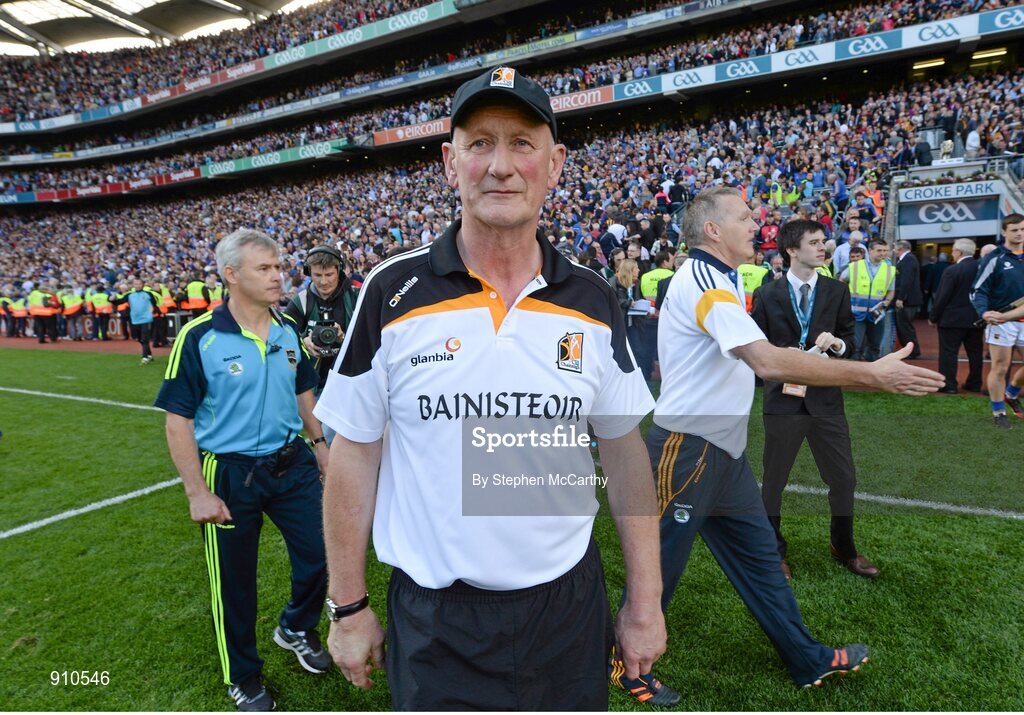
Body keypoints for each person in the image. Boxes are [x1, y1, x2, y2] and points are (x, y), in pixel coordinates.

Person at [314, 66, 666, 710]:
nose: (500, 165)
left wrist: (645, 601)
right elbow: (354, 452)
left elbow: (622, 449)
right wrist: (348, 605)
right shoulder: (392, 293)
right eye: (479, 143)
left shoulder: (593, 299)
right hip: (435, 620)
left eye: (522, 143)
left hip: (567, 607)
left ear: (554, 164)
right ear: (451, 163)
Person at [634, 186, 942, 695]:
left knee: (760, 563)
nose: (758, 225)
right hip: (687, 449)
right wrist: (872, 374)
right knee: (655, 571)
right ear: (713, 230)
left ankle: (807, 659)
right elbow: (767, 361)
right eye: (745, 217)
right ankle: (624, 665)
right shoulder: (706, 281)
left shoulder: (718, 279)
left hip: (721, 452)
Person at [155, 228, 332, 711]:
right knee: (235, 583)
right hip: (230, 475)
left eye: (279, 267)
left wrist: (319, 446)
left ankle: (295, 626)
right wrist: (196, 492)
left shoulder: (287, 330)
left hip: (291, 461)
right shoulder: (200, 337)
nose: (279, 276)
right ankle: (243, 675)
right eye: (265, 268)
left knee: (322, 554)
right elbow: (178, 421)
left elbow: (303, 393)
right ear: (231, 276)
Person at [750, 219, 878, 580]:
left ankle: (844, 547)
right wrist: (782, 354)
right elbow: (754, 346)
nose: (823, 248)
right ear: (792, 250)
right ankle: (774, 551)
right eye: (815, 242)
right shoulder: (768, 294)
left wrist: (837, 345)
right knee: (774, 482)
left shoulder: (836, 290)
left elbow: (850, 340)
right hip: (783, 400)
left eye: (824, 241)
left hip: (825, 401)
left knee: (844, 479)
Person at [284, 244, 357, 443]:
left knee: (331, 436)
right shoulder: (301, 301)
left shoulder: (356, 297)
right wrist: (303, 342)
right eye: (317, 275)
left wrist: (344, 338)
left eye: (329, 274)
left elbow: (373, 337)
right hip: (314, 382)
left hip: (348, 379)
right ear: (308, 273)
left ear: (339, 271)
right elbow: (282, 340)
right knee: (320, 436)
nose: (323, 282)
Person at [971, 214, 1024, 429]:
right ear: (1004, 232)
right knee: (1000, 368)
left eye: (1022, 229)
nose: (1019, 233)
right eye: (1014, 230)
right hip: (1001, 322)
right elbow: (977, 290)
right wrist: (984, 312)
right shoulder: (995, 257)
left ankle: (1011, 393)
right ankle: (998, 411)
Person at [929, 239, 983, 395]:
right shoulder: (982, 269)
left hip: (952, 319)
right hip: (976, 318)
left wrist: (933, 317)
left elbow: (942, 297)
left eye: (953, 250)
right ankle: (974, 383)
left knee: (948, 353)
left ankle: (949, 385)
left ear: (959, 252)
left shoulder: (952, 271)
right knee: (975, 353)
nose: (952, 253)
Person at [849, 238, 895, 362]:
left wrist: (886, 303)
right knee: (855, 346)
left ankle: (871, 374)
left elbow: (891, 290)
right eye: (879, 250)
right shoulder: (855, 266)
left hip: (877, 314)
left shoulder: (890, 270)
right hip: (856, 313)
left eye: (885, 250)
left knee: (875, 346)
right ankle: (853, 374)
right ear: (870, 250)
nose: (883, 253)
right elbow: (842, 281)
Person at [893, 240, 923, 359]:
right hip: (909, 299)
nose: (894, 251)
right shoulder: (909, 259)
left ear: (900, 249)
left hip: (908, 300)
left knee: (905, 326)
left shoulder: (908, 260)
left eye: (895, 248)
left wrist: (901, 298)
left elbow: (906, 280)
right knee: (905, 326)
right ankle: (911, 350)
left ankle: (912, 351)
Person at [127, 277, 159, 365]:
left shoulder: (148, 294)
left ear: (143, 285)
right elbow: (120, 301)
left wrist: (156, 312)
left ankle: (145, 357)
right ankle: (149, 354)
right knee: (138, 338)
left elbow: (155, 304)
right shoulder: (129, 295)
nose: (137, 286)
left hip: (146, 319)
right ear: (133, 285)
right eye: (136, 284)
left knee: (145, 338)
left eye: (139, 284)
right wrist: (111, 299)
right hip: (135, 320)